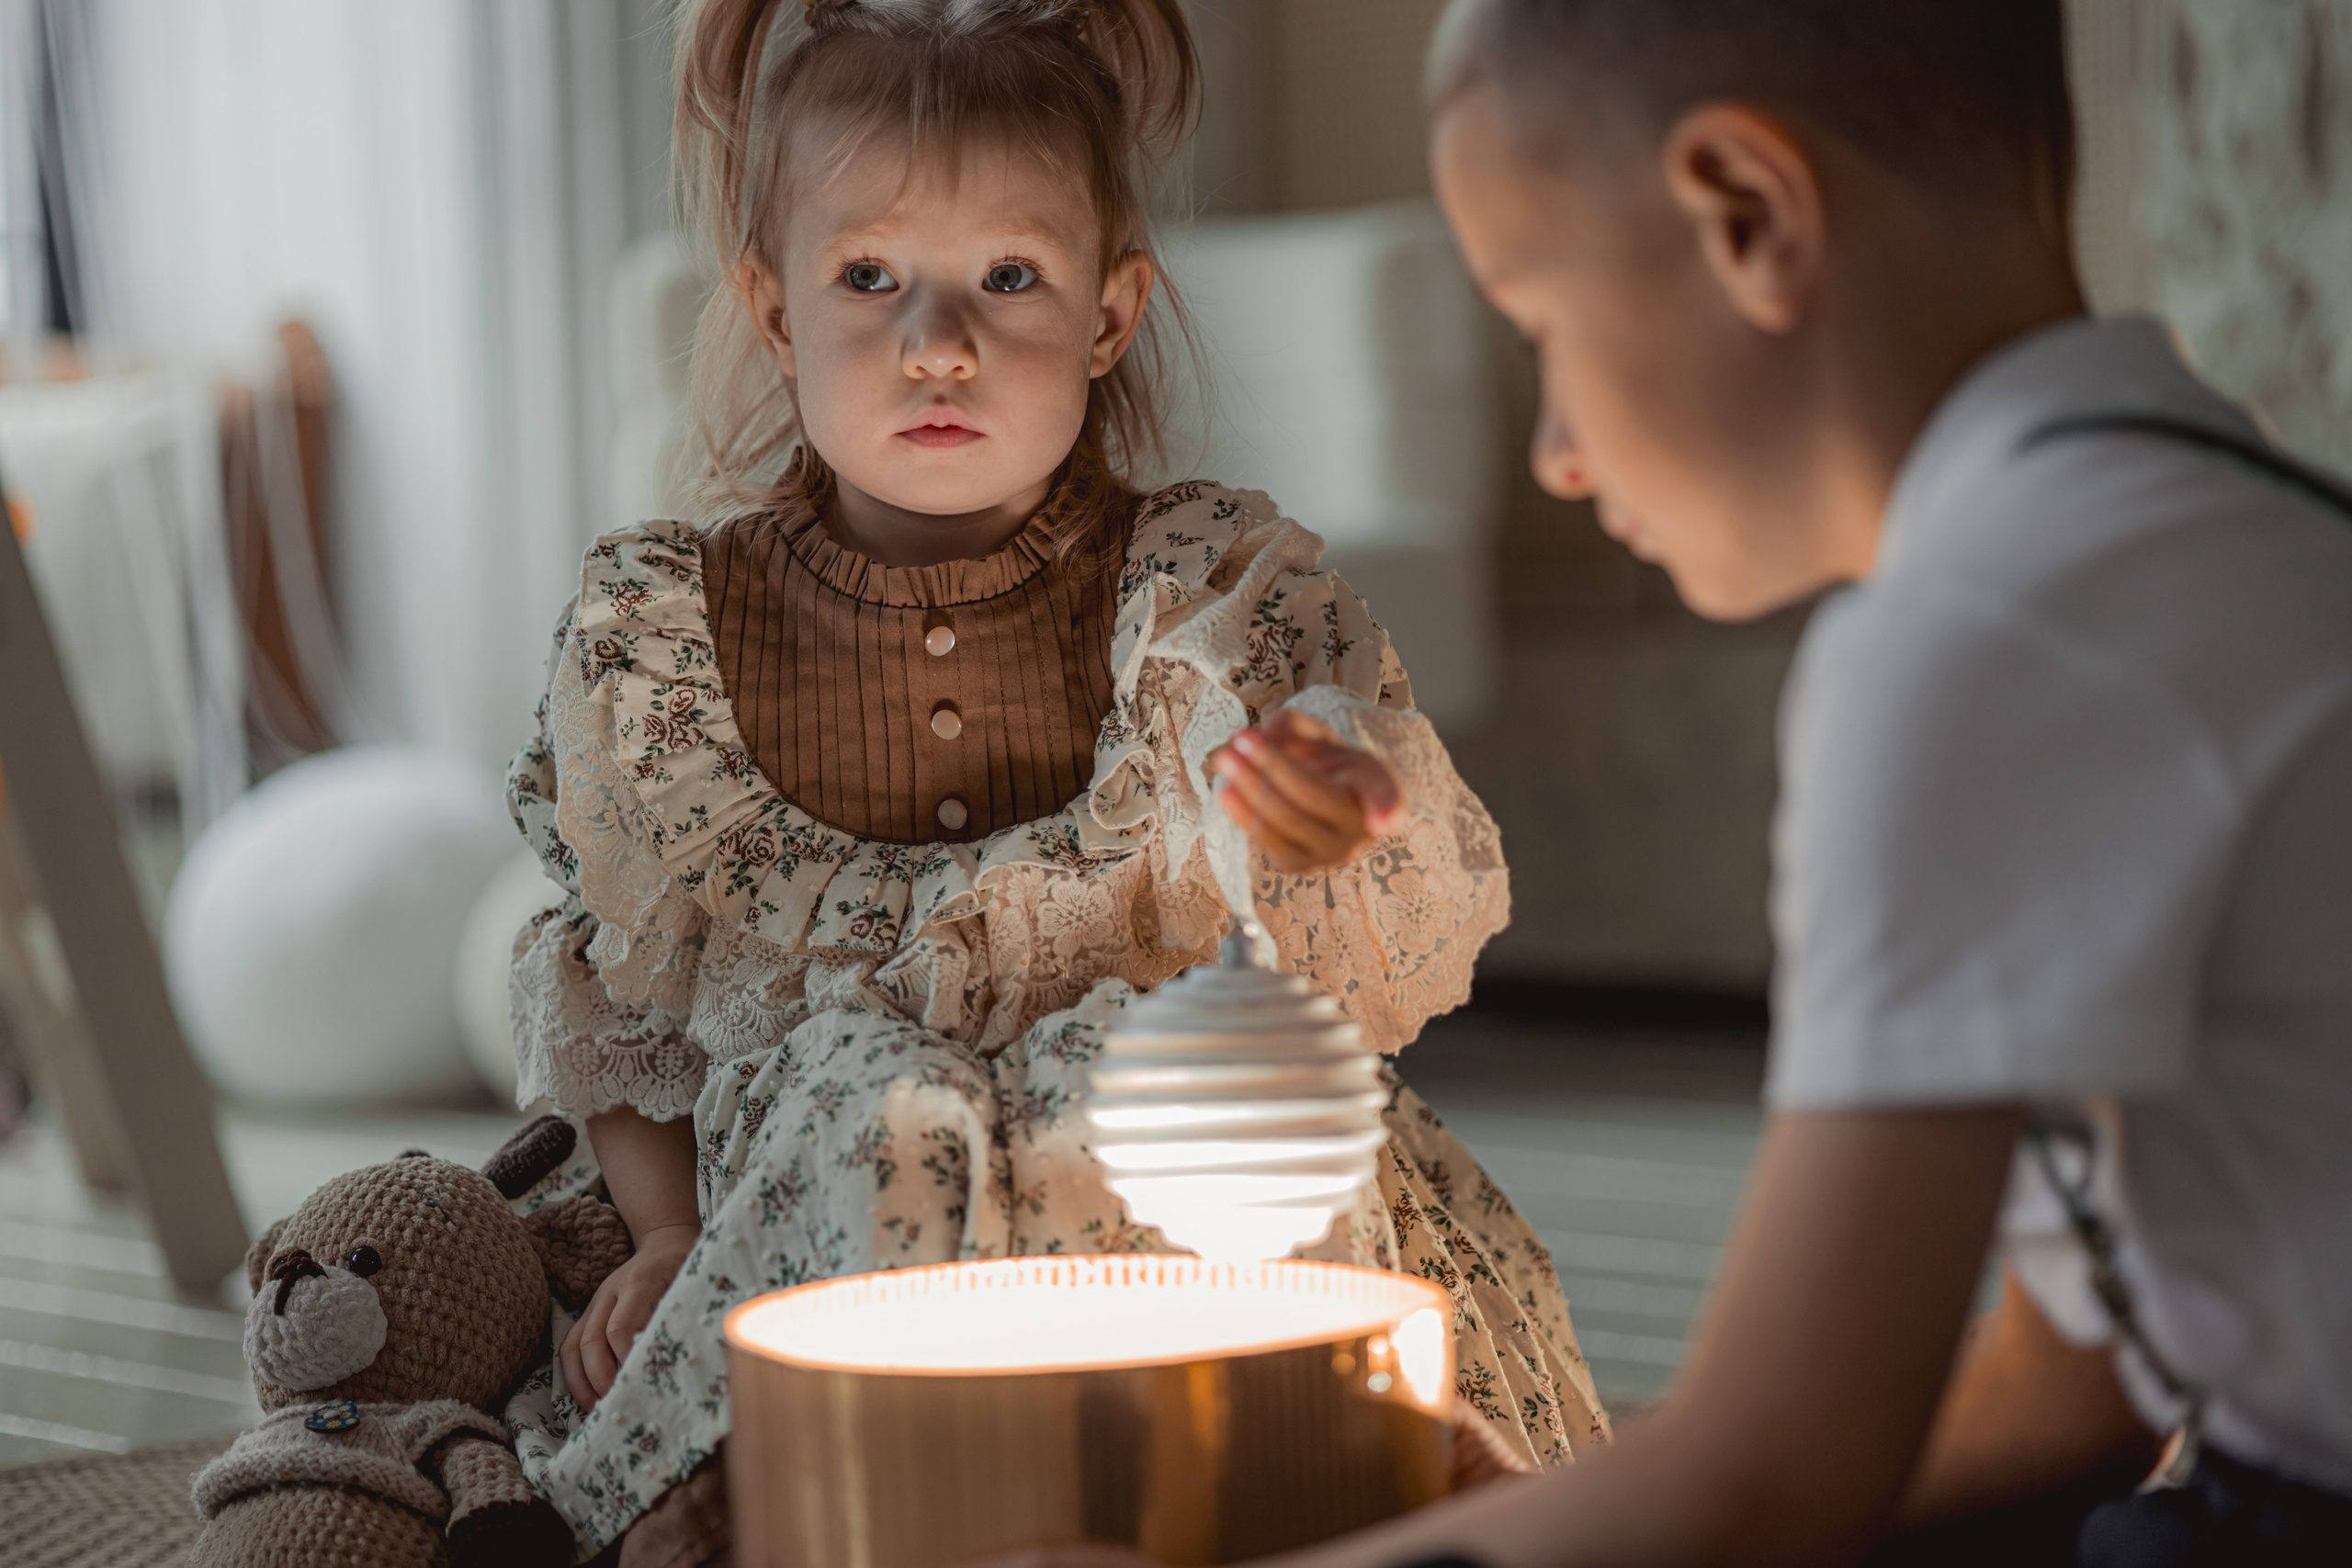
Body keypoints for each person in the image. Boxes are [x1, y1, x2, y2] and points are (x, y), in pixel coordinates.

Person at [1007, 1, 2352, 1564]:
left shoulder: (1984, 633)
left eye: (1541, 330)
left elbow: (1774, 1474)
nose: (1557, 455)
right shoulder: (2204, 519)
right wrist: (1566, 1512)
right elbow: (2082, 1388)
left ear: (1746, 215)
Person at [500, 1, 1609, 1560]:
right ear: (769, 308)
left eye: (1008, 278)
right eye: (867, 277)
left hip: (1160, 1170)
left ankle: (1205, 1483)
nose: (937, 340)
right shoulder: (665, 632)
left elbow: (1348, 796)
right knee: (873, 1109)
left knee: (1150, 1099)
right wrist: (668, 1227)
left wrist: (1334, 801)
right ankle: (728, 1493)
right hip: (844, 1186)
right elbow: (624, 999)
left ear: (1108, 310)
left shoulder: (1210, 590)